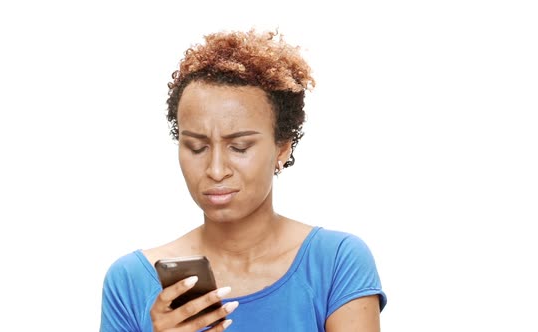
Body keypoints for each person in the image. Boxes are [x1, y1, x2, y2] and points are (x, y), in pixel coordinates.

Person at [100, 28, 387, 332]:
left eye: (239, 147)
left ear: (283, 146)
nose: (216, 169)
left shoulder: (336, 262)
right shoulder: (130, 280)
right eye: (196, 147)